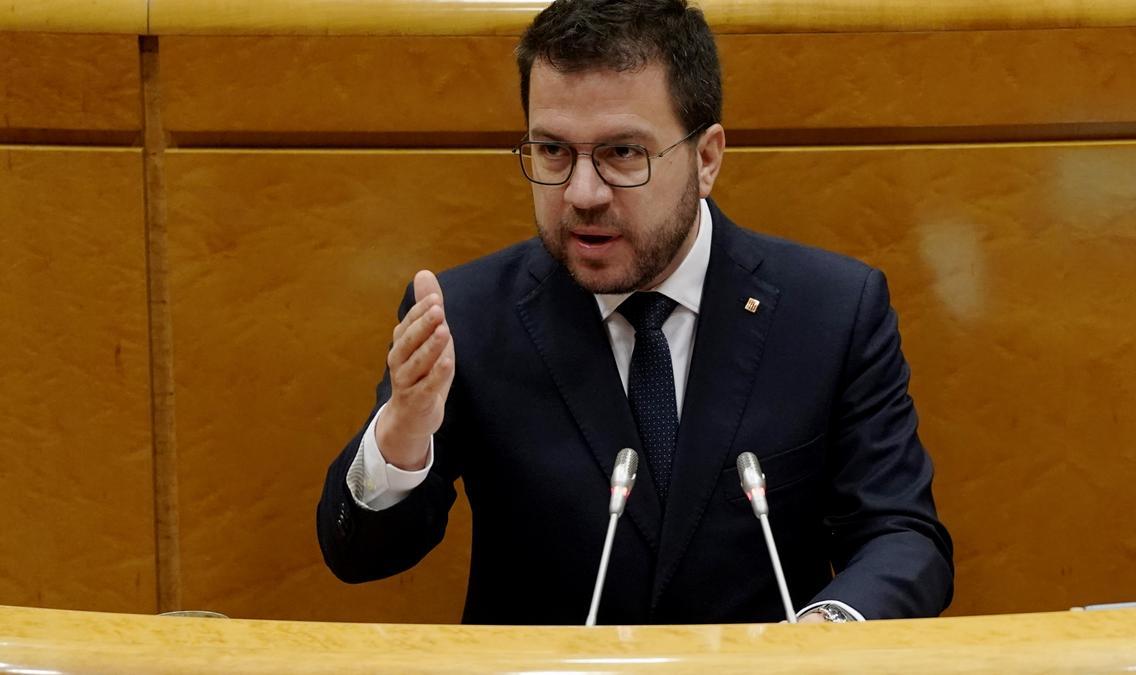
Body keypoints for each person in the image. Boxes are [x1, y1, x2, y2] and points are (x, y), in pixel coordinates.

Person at [317, 0, 952, 625]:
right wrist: (402, 436)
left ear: (706, 159)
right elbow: (360, 555)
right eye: (553, 152)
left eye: (623, 153)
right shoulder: (470, 318)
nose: (582, 194)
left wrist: (826, 634)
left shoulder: (832, 310)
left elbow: (902, 536)